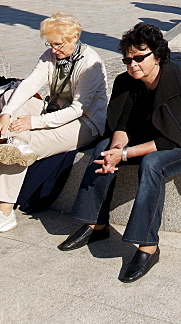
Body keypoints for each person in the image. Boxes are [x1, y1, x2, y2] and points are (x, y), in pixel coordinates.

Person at [58, 23, 181, 283]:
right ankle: (96, 225)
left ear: (157, 56)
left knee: (153, 164)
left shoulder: (175, 84)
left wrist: (124, 155)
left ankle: (148, 246)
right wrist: (117, 149)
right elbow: (121, 125)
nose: (133, 64)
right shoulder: (127, 82)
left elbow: (169, 140)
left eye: (139, 58)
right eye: (128, 59)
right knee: (102, 147)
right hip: (150, 139)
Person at [0, 14, 107, 234]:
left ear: (74, 37)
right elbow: (30, 84)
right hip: (54, 110)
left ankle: (5, 212)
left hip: (83, 124)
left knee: (21, 142)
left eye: (59, 44)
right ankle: (16, 142)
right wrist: (8, 113)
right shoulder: (50, 56)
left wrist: (34, 122)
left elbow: (78, 109)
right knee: (11, 94)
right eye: (50, 44)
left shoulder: (90, 63)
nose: (54, 49)